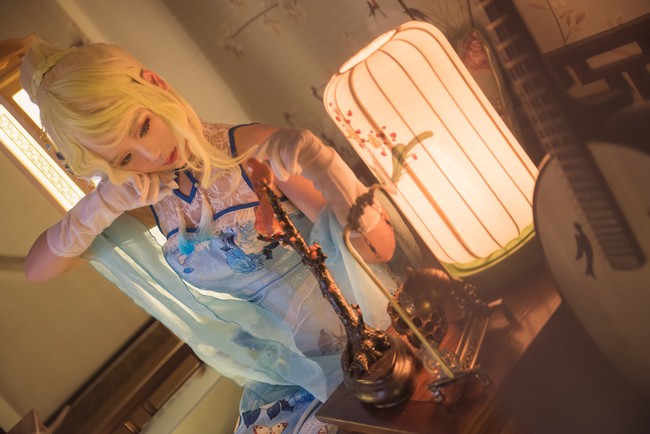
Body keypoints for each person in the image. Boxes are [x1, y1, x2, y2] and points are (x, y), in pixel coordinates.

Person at [21, 39, 396, 433]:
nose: (151, 155)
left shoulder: (254, 148)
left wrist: (323, 162)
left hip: (369, 336)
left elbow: (379, 250)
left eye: (143, 127)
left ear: (157, 85)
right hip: (294, 373)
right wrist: (101, 204)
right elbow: (38, 269)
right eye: (125, 158)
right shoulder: (148, 199)